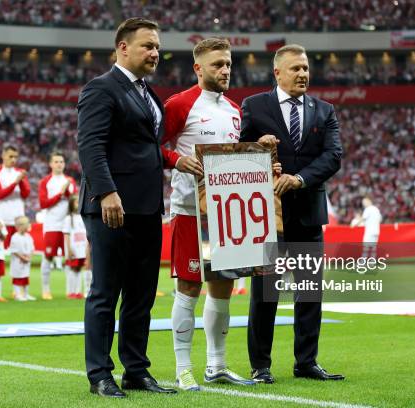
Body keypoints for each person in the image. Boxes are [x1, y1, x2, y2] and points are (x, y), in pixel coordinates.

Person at [76, 17, 183, 398]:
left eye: (157, 47)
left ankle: (136, 370)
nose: (155, 53)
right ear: (123, 47)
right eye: (147, 46)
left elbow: (147, 148)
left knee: (141, 294)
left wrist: (176, 161)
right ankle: (99, 374)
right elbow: (90, 145)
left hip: (147, 208)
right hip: (111, 206)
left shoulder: (150, 95)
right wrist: (106, 192)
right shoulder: (100, 88)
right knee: (106, 291)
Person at [239, 44, 344, 383]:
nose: (303, 74)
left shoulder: (324, 110)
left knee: (310, 293)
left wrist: (299, 179)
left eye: (305, 68)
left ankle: (306, 362)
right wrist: (257, 149)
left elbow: (333, 156)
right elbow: (233, 156)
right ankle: (261, 365)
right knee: (265, 294)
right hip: (267, 218)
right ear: (277, 73)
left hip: (309, 214)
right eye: (295, 68)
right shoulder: (254, 107)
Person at [163, 37, 256, 391]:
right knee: (188, 288)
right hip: (189, 211)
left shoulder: (235, 110)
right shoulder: (180, 104)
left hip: (225, 214)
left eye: (228, 63)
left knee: (223, 288)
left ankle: (216, 365)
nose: (225, 69)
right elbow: (150, 145)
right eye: (217, 64)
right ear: (198, 68)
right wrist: (176, 159)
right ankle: (183, 367)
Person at [38, 151, 77, 300]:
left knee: (69, 258)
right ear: (50, 164)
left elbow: (74, 202)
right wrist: (60, 194)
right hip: (52, 225)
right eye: (56, 161)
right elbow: (43, 203)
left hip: (67, 225)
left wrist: (66, 191)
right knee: (48, 256)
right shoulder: (45, 182)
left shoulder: (70, 181)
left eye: (61, 161)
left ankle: (70, 291)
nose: (59, 164)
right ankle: (46, 290)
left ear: (64, 164)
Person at [0, 145, 31, 249]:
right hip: (3, 218)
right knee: (3, 252)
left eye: (15, 157)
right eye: (10, 156)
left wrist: (20, 182)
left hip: (19, 219)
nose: (13, 159)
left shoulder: (19, 172)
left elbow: (25, 194)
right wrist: (15, 182)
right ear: (3, 155)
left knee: (20, 252)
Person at [62, 195, 88, 299]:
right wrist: (69, 249)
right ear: (71, 205)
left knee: (79, 269)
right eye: (76, 202)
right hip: (74, 249)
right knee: (73, 269)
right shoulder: (69, 218)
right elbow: (66, 235)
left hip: (82, 249)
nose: (78, 204)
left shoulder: (83, 216)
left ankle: (77, 291)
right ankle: (70, 291)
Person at [9, 216, 35, 301]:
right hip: (18, 262)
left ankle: (26, 294)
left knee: (25, 278)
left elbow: (32, 249)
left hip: (26, 262)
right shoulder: (15, 237)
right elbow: (14, 250)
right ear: (20, 226)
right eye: (27, 224)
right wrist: (22, 257)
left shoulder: (28, 237)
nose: (28, 226)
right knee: (17, 278)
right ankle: (17, 294)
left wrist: (29, 257)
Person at [351, 197, 382, 262]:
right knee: (373, 247)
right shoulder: (376, 209)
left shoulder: (368, 209)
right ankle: (372, 263)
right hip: (376, 230)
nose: (364, 204)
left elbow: (363, 218)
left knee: (366, 247)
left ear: (369, 201)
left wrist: (355, 224)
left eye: (364, 202)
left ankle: (362, 262)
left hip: (370, 230)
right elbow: (380, 219)